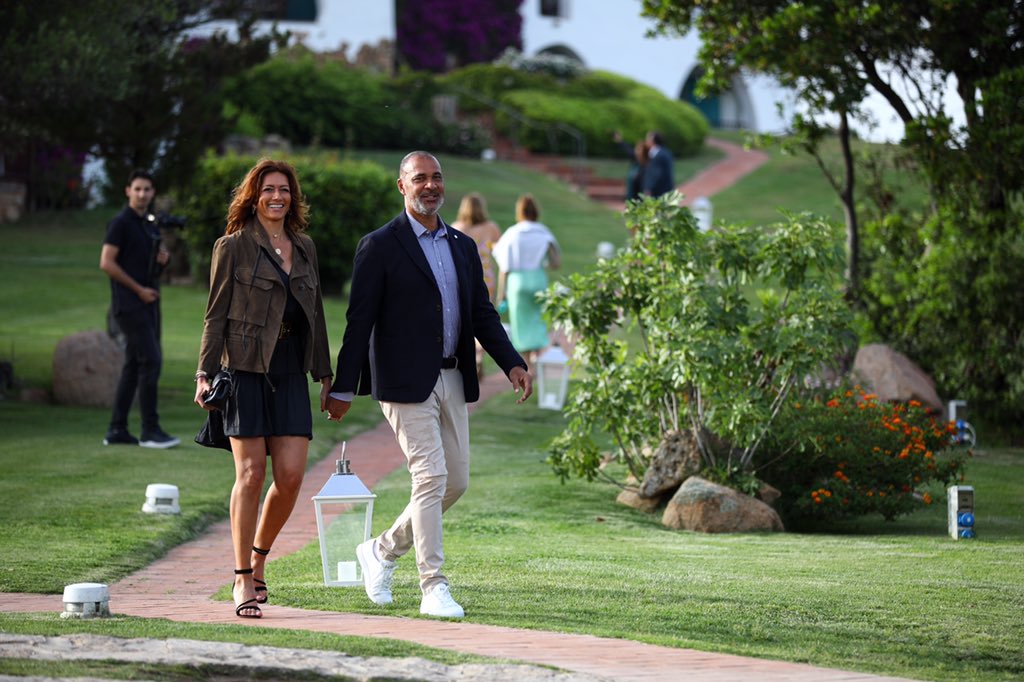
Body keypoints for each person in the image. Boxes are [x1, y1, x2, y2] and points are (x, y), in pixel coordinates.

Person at [326, 151, 532, 619]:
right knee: (430, 476)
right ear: (402, 186)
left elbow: (481, 311)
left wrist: (512, 362)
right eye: (420, 178)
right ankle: (432, 585)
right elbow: (359, 321)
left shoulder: (461, 245)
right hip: (402, 381)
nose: (431, 185)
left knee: (455, 480)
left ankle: (380, 550)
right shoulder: (379, 246)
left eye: (437, 177)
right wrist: (343, 386)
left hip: (453, 374)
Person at [194, 159, 333, 620]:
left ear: (293, 198)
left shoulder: (306, 247)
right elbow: (215, 315)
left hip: (291, 367)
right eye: (269, 189)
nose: (278, 197)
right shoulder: (232, 247)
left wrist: (325, 375)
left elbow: (317, 314)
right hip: (246, 369)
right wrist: (204, 372)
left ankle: (259, 558)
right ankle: (240, 579)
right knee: (251, 474)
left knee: (291, 476)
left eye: (285, 190)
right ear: (253, 197)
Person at [99, 169, 180, 449]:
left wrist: (162, 261)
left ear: (153, 192)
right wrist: (138, 290)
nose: (142, 194)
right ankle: (150, 430)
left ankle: (117, 429)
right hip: (130, 305)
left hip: (149, 302)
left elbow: (149, 269)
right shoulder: (120, 223)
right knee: (151, 361)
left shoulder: (148, 224)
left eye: (147, 189)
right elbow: (107, 263)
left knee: (133, 365)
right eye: (138, 189)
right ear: (128, 191)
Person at [492, 194, 561, 369]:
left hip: (518, 281)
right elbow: (556, 262)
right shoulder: (543, 231)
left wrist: (501, 295)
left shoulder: (512, 233)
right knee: (538, 319)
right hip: (538, 278)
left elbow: (504, 267)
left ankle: (526, 363)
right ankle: (537, 357)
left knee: (521, 322)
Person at [451, 192, 503, 379]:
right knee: (483, 316)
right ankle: (479, 355)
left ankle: (470, 356)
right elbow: (501, 252)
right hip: (486, 278)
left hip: (463, 278)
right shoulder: (491, 228)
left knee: (466, 318)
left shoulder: (456, 228)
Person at [612, 131, 648, 202]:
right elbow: (628, 150)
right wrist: (620, 141)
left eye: (639, 149)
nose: (637, 151)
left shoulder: (646, 165)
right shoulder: (636, 160)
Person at [642, 130, 675, 198]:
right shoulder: (664, 152)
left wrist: (648, 188)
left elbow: (655, 173)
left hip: (660, 192)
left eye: (648, 139)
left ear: (653, 141)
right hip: (665, 190)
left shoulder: (659, 155)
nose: (646, 141)